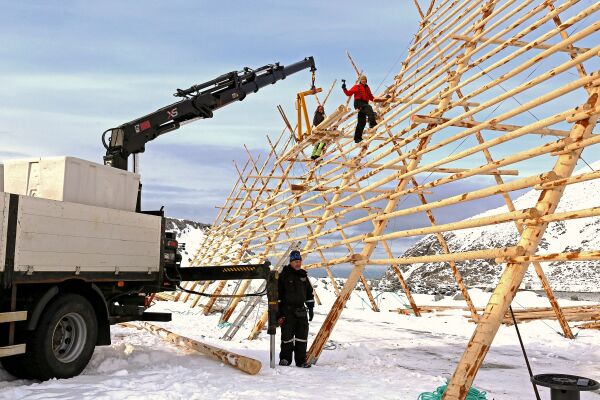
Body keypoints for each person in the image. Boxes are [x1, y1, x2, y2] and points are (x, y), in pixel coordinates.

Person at [277, 250, 315, 368]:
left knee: (302, 337)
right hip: (287, 311)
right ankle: (285, 359)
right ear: (291, 262)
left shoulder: (303, 276)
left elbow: (309, 293)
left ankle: (301, 361)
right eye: (296, 261)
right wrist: (278, 313)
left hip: (301, 311)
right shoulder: (283, 275)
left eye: (299, 261)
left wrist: (311, 308)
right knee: (287, 338)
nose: (298, 264)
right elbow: (277, 295)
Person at [342, 75, 387, 143]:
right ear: (360, 80)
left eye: (365, 80)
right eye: (362, 80)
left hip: (365, 103)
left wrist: (380, 100)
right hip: (358, 103)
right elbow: (348, 93)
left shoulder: (367, 87)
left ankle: (357, 138)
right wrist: (344, 88)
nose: (363, 81)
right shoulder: (357, 87)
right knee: (369, 108)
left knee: (361, 122)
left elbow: (371, 97)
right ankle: (372, 123)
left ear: (366, 81)